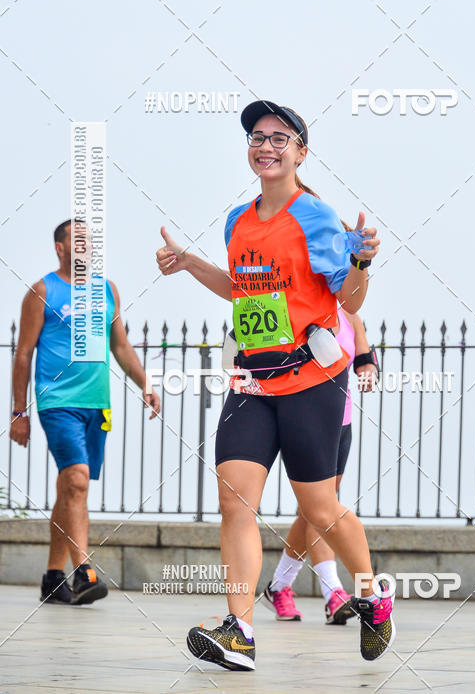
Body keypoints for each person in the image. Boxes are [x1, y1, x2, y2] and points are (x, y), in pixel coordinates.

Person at [156, 101, 395, 671]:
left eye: (279, 138)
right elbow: (240, 289)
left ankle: (372, 594)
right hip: (252, 381)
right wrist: (189, 262)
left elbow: (349, 299)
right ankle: (239, 630)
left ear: (301, 152)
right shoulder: (238, 221)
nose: (266, 146)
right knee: (234, 500)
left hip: (312, 380)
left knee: (319, 507)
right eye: (257, 137)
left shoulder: (316, 216)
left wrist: (361, 263)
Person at [10, 219, 161, 606]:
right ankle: (84, 572)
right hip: (57, 401)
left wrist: (145, 383)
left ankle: (53, 577)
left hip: (98, 404)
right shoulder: (42, 291)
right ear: (60, 248)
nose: (86, 247)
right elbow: (23, 354)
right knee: (77, 481)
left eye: (89, 241)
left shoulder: (107, 290)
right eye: (77, 241)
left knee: (70, 488)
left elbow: (121, 346)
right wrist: (18, 412)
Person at [262, 304, 379, 624]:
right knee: (320, 508)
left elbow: (365, 357)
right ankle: (333, 591)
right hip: (302, 418)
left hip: (340, 422)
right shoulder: (299, 305)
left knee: (318, 509)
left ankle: (280, 586)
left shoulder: (350, 314)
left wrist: (368, 370)